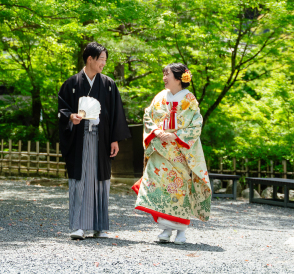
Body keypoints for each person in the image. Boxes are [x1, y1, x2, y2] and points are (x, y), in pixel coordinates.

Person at [58, 42, 131, 240]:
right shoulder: (72, 84)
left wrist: (115, 139)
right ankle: (77, 226)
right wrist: (71, 117)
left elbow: (116, 113)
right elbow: (62, 110)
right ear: (90, 59)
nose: (104, 64)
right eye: (101, 60)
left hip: (101, 139)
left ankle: (100, 227)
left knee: (101, 182)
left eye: (105, 60)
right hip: (79, 139)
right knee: (79, 181)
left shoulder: (108, 84)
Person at [132, 63, 211, 244]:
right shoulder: (160, 96)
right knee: (161, 188)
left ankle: (181, 231)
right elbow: (148, 116)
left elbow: (196, 124)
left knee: (179, 189)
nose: (164, 78)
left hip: (180, 152)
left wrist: (175, 135)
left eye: (167, 74)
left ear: (178, 77)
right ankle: (166, 229)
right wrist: (157, 132)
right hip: (161, 150)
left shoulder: (189, 99)